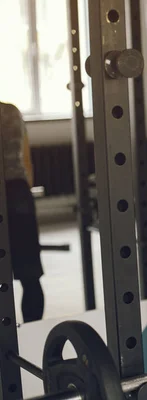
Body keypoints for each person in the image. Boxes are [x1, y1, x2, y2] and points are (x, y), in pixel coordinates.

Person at [0, 101, 45, 323]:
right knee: (30, 274)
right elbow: (26, 156)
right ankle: (32, 330)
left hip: (13, 189)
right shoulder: (11, 111)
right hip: (17, 188)